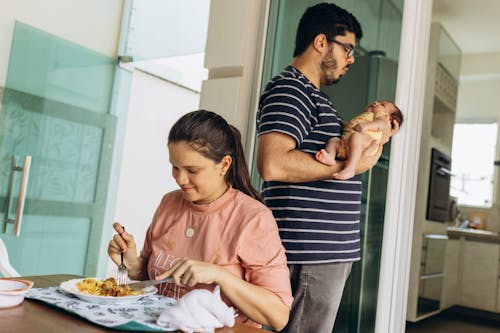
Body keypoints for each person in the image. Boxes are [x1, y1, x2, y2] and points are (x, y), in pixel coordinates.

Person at [256, 3, 383, 332]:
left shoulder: (315, 97)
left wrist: (355, 160)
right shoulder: (290, 90)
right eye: (348, 49)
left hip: (322, 254)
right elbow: (272, 163)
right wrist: (345, 167)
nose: (351, 59)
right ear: (322, 43)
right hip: (307, 254)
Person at [108, 110, 292, 330]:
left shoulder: (253, 219)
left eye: (192, 170)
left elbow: (278, 316)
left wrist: (219, 275)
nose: (180, 179)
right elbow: (152, 279)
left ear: (224, 165)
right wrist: (131, 265)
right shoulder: (169, 203)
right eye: (175, 167)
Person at [316, 100, 403, 179]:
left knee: (356, 136)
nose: (376, 103)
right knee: (334, 141)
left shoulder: (381, 116)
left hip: (365, 144)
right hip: (347, 146)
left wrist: (368, 126)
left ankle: (350, 168)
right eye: (378, 101)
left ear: (389, 118)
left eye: (382, 105)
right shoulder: (364, 116)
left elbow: (381, 124)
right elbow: (350, 127)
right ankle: (330, 156)